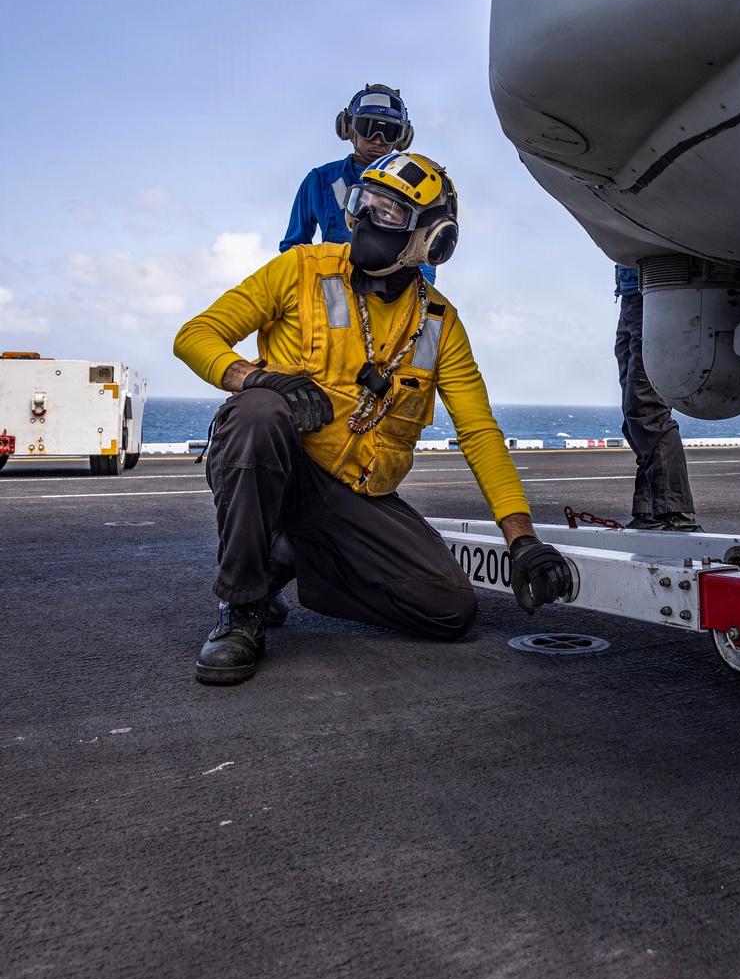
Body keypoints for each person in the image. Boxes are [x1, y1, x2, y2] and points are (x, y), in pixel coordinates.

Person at [174, 151, 573, 684]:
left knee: (450, 610)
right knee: (258, 413)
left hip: (347, 494)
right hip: (274, 466)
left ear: (432, 240)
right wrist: (255, 378)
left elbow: (478, 432)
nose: (365, 218)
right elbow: (195, 335)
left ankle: (287, 557)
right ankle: (241, 611)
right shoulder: (300, 269)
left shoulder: (440, 325)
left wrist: (521, 539)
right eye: (364, 202)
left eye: (388, 211)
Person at [279, 84, 436, 282]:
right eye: (367, 128)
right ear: (348, 128)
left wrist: (419, 293)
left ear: (402, 138)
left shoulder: (415, 186)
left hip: (392, 293)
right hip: (334, 290)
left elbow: (423, 257)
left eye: (389, 131)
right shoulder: (320, 181)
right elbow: (293, 251)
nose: (378, 140)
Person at [614, 265, 700, 532]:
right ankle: (650, 512)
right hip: (632, 296)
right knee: (635, 419)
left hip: (655, 293)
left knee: (648, 412)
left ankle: (677, 515)